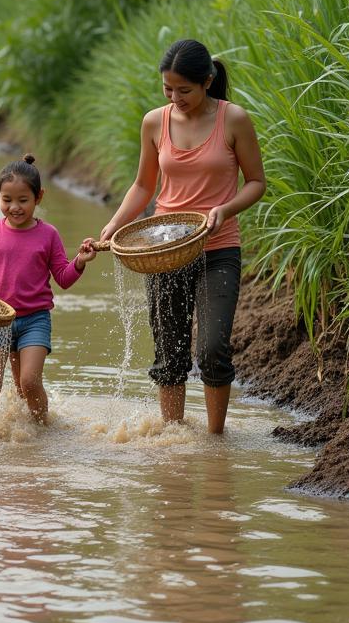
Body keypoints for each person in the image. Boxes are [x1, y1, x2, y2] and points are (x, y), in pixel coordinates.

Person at [95, 38, 266, 434]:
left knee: (212, 349)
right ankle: (174, 442)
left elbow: (256, 182)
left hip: (219, 248)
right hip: (165, 248)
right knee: (169, 350)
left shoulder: (234, 119)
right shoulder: (155, 122)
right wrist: (113, 224)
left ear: (207, 81)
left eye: (184, 90)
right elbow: (142, 186)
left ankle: (215, 439)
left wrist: (225, 210)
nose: (175, 97)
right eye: (167, 89)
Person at [0, 154, 97, 423]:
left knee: (29, 382)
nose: (14, 207)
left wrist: (79, 261)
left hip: (35, 320)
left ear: (38, 197)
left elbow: (63, 278)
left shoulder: (49, 234)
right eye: (7, 200)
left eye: (23, 200)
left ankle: (43, 430)